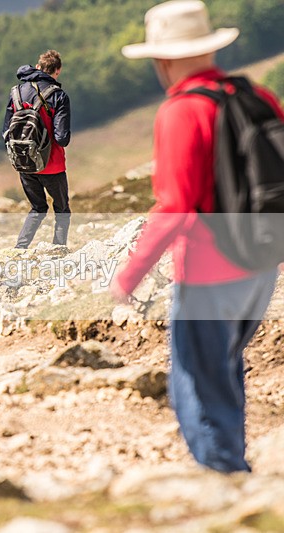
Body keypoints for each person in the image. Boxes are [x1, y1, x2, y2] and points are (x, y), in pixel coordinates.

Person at [112, 0, 284, 473]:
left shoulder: (181, 112)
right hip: (260, 267)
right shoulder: (255, 96)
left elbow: (176, 206)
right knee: (223, 371)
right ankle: (235, 471)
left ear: (162, 61)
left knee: (198, 387)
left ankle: (226, 484)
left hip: (209, 273)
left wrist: (128, 275)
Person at [2, 49, 72, 249]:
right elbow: (62, 138)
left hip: (25, 163)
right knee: (62, 209)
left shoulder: (16, 92)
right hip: (52, 165)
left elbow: (6, 131)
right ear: (58, 70)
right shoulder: (58, 96)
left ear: (38, 67)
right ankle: (58, 249)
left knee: (37, 207)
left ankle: (20, 248)